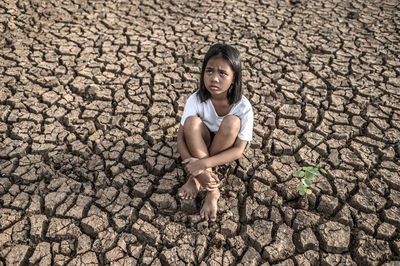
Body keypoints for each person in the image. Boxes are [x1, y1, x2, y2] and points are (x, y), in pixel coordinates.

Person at [177, 43, 254, 221]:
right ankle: (212, 188)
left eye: (222, 73)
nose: (214, 78)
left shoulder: (243, 107)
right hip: (201, 140)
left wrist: (201, 165)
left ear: (234, 78)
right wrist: (196, 171)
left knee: (231, 123)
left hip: (226, 145)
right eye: (209, 71)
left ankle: (202, 184)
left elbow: (238, 150)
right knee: (191, 123)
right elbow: (181, 138)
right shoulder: (196, 99)